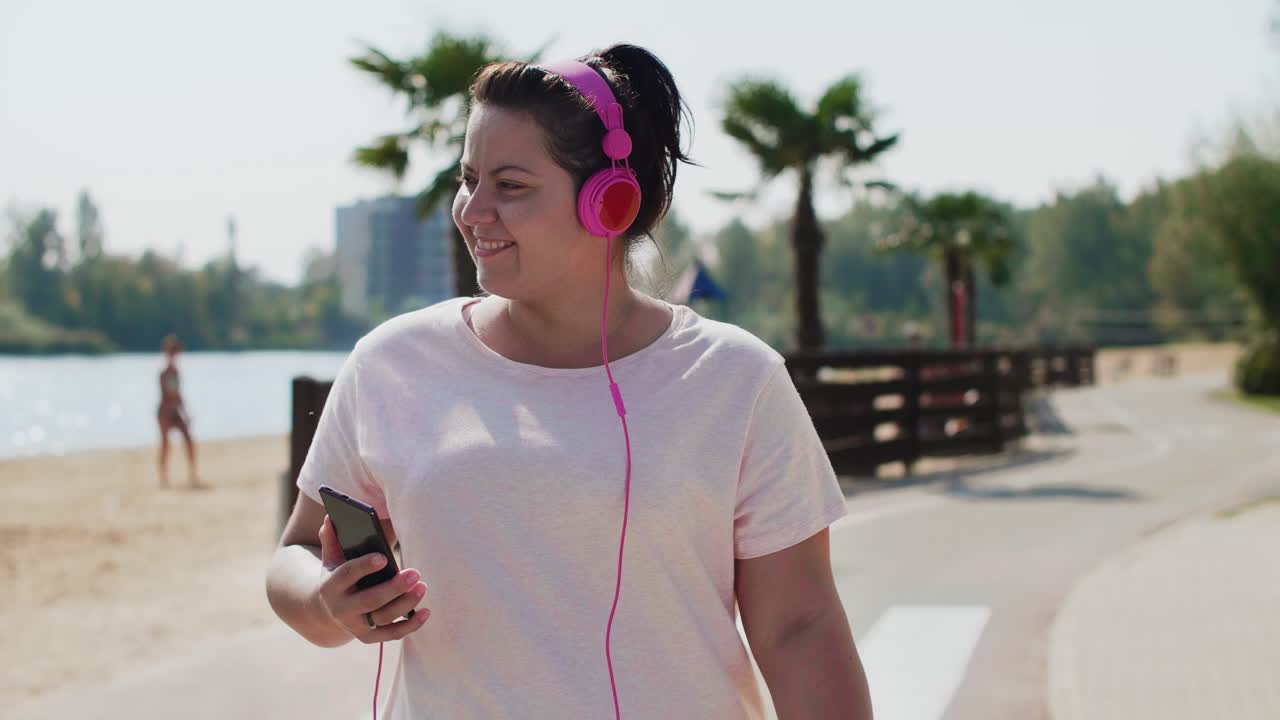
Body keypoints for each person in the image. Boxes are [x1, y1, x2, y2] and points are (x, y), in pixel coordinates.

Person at [266, 44, 872, 719]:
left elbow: (800, 628)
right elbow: (294, 552)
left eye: (511, 185)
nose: (472, 210)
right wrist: (328, 602)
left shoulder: (737, 380)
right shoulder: (392, 363)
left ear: (607, 203)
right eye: (468, 179)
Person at [157, 334, 200, 489]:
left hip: (175, 412)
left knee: (189, 441)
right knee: (165, 445)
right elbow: (169, 395)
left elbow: (178, 395)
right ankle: (163, 477)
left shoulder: (175, 372)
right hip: (166, 412)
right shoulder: (164, 373)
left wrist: (184, 412)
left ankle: (192, 473)